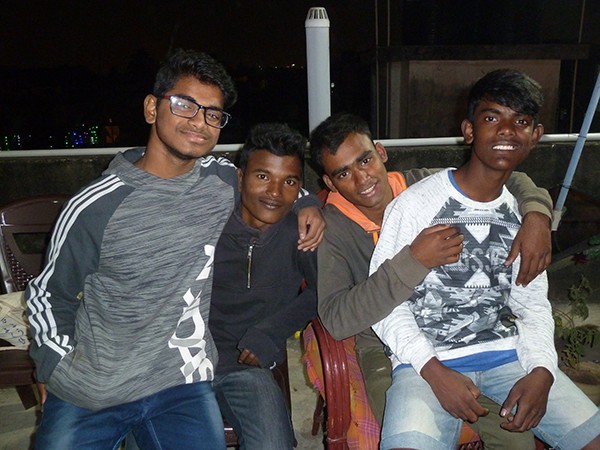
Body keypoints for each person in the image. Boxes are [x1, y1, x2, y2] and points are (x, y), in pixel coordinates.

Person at [25, 49, 323, 450]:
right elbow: (49, 294)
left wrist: (309, 204)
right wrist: (53, 365)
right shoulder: (96, 207)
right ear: (152, 108)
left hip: (179, 382)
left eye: (213, 114)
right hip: (95, 386)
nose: (199, 122)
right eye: (185, 105)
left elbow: (277, 188)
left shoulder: (220, 181)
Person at [370, 69, 600, 450]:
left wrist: (543, 370)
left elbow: (532, 304)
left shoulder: (524, 220)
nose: (507, 130)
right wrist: (432, 370)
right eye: (492, 117)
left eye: (521, 122)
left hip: (506, 356)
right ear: (469, 130)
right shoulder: (416, 205)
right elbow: (385, 304)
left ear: (535, 136)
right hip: (424, 361)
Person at [308, 112, 554, 449]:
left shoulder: (423, 185)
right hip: (385, 346)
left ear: (381, 152)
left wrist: (537, 215)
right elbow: (337, 320)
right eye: (343, 173)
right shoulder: (332, 229)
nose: (362, 178)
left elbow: (513, 178)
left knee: (516, 436)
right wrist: (414, 261)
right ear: (330, 183)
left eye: (365, 160)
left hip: (465, 333)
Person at [209, 122, 318, 450]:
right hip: (182, 362)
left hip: (247, 367)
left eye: (289, 182)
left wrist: (270, 334)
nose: (274, 193)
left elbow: (322, 292)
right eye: (262, 176)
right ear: (240, 177)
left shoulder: (302, 234)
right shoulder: (207, 220)